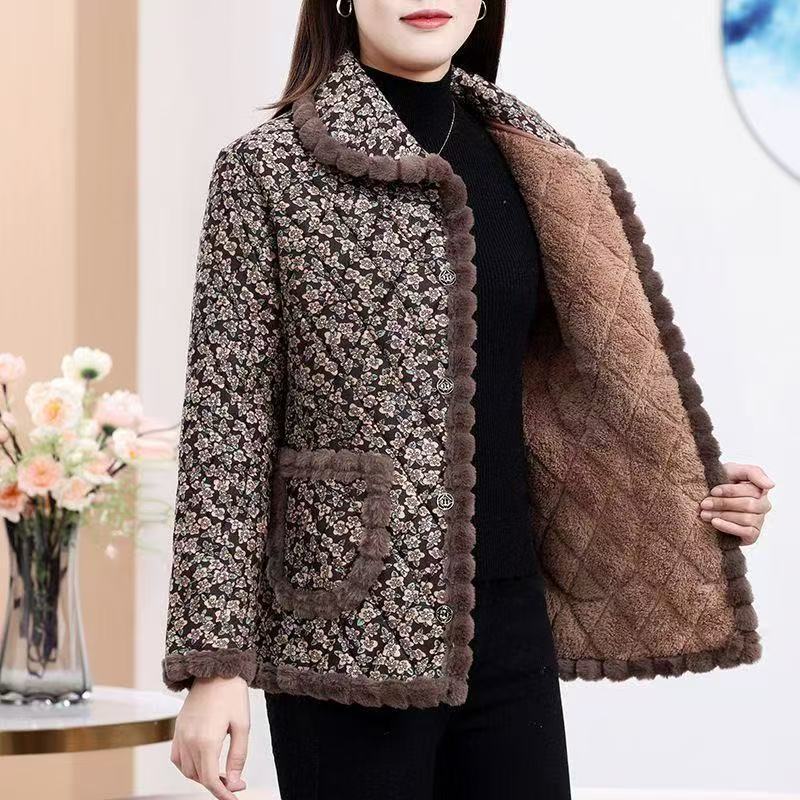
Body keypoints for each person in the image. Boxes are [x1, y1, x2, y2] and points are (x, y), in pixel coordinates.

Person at [161, 2, 775, 799]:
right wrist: (213, 665)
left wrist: (691, 490)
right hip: (344, 632)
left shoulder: (538, 164)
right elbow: (227, 424)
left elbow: (550, 397)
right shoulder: (266, 172)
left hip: (511, 622)